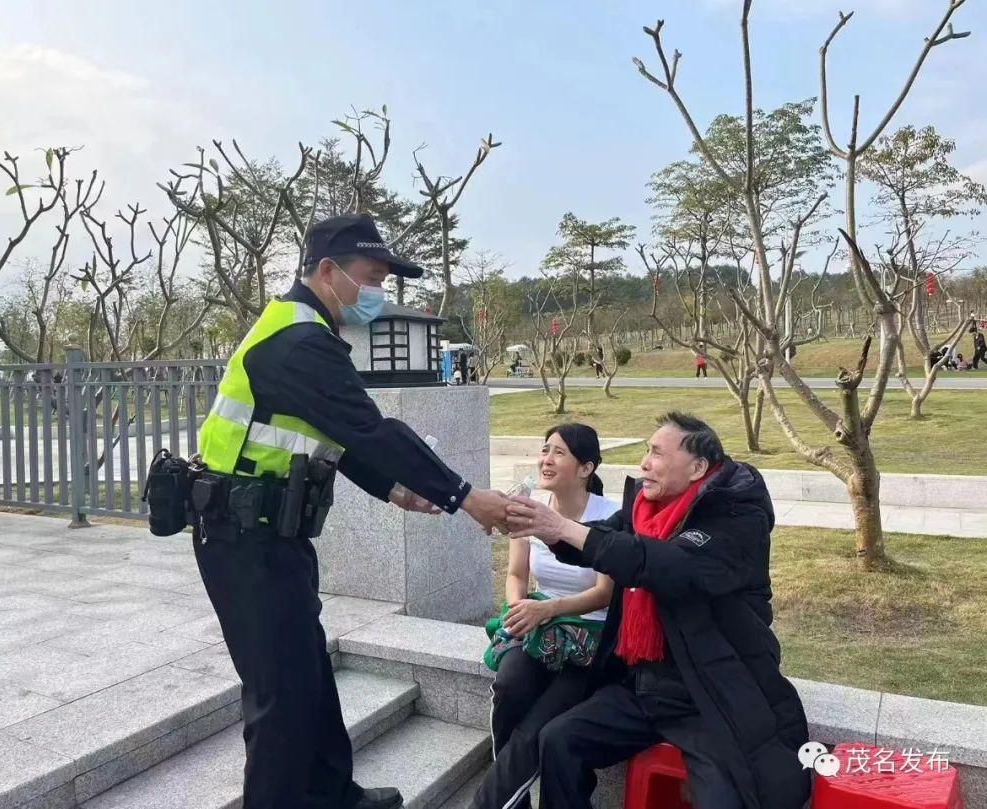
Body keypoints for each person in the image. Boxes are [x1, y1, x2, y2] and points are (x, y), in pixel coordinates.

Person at [191, 212, 510, 809]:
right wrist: (463, 495)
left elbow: (332, 433)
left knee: (308, 675)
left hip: (270, 536)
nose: (377, 292)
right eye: (370, 276)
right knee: (280, 695)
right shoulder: (298, 341)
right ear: (328, 270)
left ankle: (334, 796)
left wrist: (394, 491)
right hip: (243, 539)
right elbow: (370, 429)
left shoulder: (305, 329)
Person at [506, 412, 810, 809]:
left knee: (728, 796)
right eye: (646, 452)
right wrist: (537, 524)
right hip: (646, 685)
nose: (644, 464)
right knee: (559, 740)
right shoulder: (645, 511)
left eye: (656, 454)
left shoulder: (736, 515)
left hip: (709, 693)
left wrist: (562, 528)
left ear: (697, 467)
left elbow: (667, 563)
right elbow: (606, 539)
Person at [472, 424, 619, 809]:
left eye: (558, 453)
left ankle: (486, 804)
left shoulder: (611, 515)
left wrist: (547, 609)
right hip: (539, 626)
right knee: (509, 687)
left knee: (538, 728)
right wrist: (518, 610)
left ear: (586, 468)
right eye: (544, 450)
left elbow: (605, 593)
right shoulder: (528, 508)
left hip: (589, 639)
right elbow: (516, 575)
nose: (546, 460)